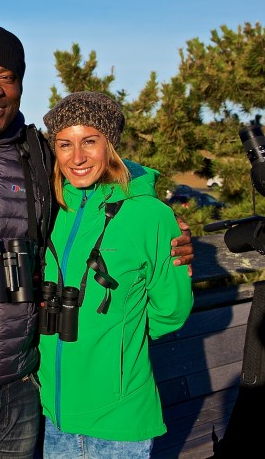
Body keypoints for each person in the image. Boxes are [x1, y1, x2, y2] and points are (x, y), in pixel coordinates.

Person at [0, 24, 194, 458]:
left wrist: (114, 337)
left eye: (6, 76)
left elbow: (165, 309)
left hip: (28, 390)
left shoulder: (33, 158)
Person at [38, 92, 193, 458]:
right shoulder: (50, 208)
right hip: (53, 414)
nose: (77, 157)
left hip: (118, 420)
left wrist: (118, 341)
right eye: (65, 144)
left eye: (89, 141)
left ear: (110, 144)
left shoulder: (149, 215)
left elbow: (171, 311)